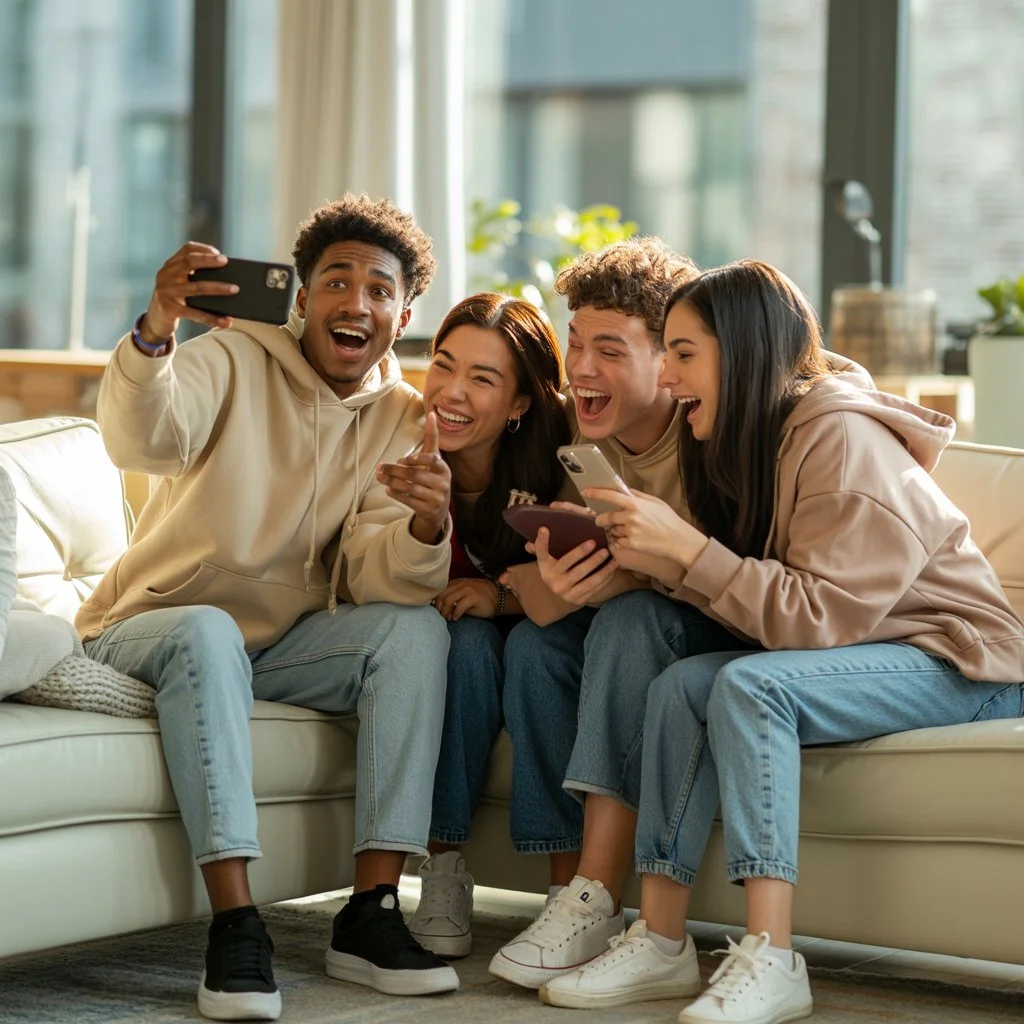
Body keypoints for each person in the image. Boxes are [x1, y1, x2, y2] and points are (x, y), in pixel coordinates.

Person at [537, 259, 1024, 1023]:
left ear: (744, 354)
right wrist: (644, 563)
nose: (668, 375)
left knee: (748, 685)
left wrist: (689, 552)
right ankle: (660, 940)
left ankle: (772, 955)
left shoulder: (840, 436)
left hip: (960, 660)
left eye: (684, 353)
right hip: (861, 649)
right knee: (681, 687)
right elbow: (755, 600)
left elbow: (820, 618)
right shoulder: (739, 442)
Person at [78, 194, 461, 1021]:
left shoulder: (404, 419)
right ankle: (236, 925)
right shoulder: (232, 355)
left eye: (379, 289)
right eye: (336, 282)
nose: (355, 302)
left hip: (278, 648)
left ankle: (371, 912)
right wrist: (156, 333)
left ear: (403, 317)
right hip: (149, 626)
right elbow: (140, 441)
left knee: (413, 630)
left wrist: (427, 525)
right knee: (208, 629)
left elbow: (378, 577)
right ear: (303, 297)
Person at [488, 245, 874, 993]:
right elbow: (541, 601)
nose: (582, 368)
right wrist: (574, 579)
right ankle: (573, 894)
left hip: (749, 623)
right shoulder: (584, 445)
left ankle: (599, 893)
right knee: (539, 647)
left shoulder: (724, 427)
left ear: (669, 357)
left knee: (633, 621)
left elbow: (773, 586)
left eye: (610, 350)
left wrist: (642, 570)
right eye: (575, 344)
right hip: (688, 610)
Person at [375, 292, 571, 958]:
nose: (451, 392)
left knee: (534, 651)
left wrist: (502, 593)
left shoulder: (563, 451)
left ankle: (567, 894)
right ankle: (443, 869)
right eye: (443, 364)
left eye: (483, 378)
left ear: (520, 403)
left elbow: (588, 570)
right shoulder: (399, 442)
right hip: (459, 635)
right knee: (460, 644)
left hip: (549, 627)